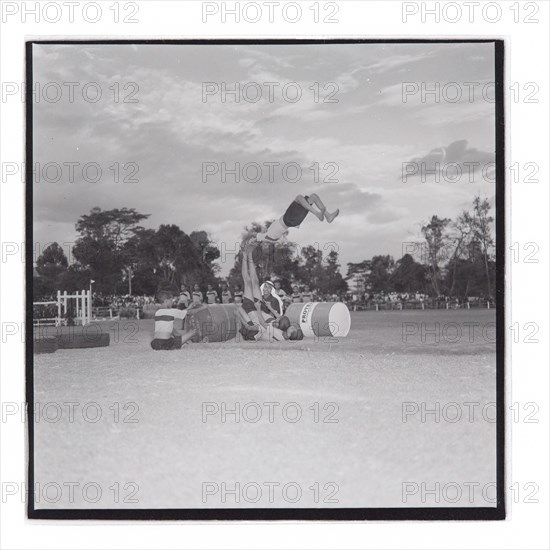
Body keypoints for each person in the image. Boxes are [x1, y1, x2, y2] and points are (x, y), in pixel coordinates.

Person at [237, 243, 303, 342]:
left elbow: (262, 323)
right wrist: (269, 307)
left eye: (294, 329)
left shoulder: (279, 335)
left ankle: (245, 255)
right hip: (260, 307)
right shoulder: (284, 326)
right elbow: (279, 316)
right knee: (255, 282)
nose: (294, 326)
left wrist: (258, 309)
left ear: (289, 335)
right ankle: (250, 253)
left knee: (247, 282)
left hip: (252, 312)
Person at [253, 193, 339, 244]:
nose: (263, 229)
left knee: (313, 197)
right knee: (299, 197)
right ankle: (318, 214)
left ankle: (328, 216)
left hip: (295, 220)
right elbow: (253, 239)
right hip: (287, 220)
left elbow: (280, 241)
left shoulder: (273, 236)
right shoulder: (263, 237)